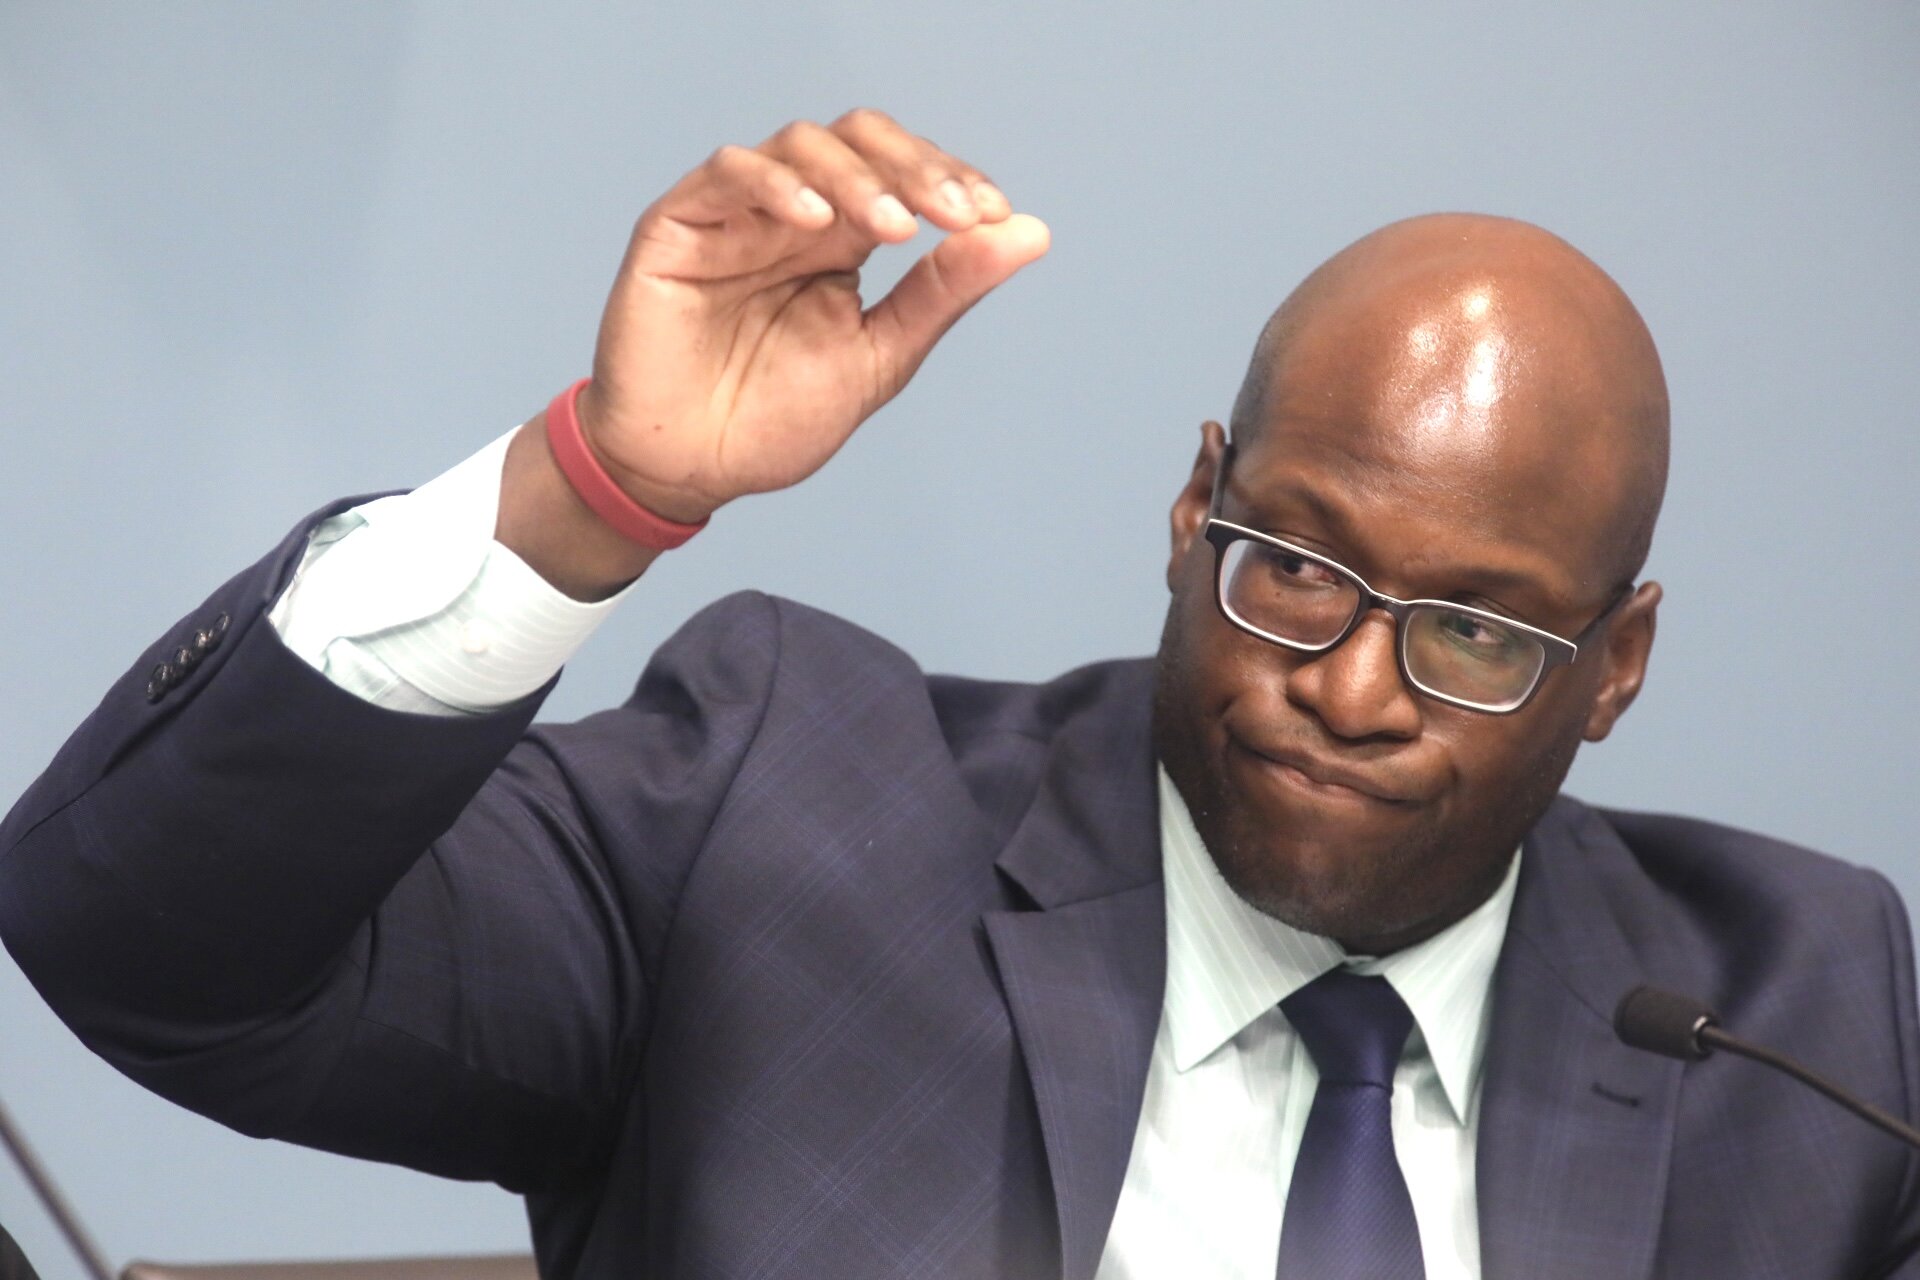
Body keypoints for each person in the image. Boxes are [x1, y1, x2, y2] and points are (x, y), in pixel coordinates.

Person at [0, 109, 1915, 1280]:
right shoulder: (790, 817)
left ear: (1617, 672)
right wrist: (598, 492)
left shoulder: (1802, 1019)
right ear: (1193, 510)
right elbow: (145, 945)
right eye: (1298, 568)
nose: (1348, 689)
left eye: (1479, 635)